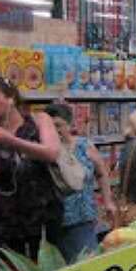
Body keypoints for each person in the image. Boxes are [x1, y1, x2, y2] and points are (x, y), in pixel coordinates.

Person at [0, 79, 62, 258]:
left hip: (42, 217)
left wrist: (11, 141)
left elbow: (52, 153)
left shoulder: (39, 120)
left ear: (11, 98)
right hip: (4, 222)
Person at [46, 104, 117, 262]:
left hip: (82, 219)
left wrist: (108, 201)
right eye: (50, 126)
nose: (55, 130)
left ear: (70, 125)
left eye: (59, 125)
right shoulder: (45, 151)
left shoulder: (84, 145)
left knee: (86, 264)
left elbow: (102, 173)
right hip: (53, 222)